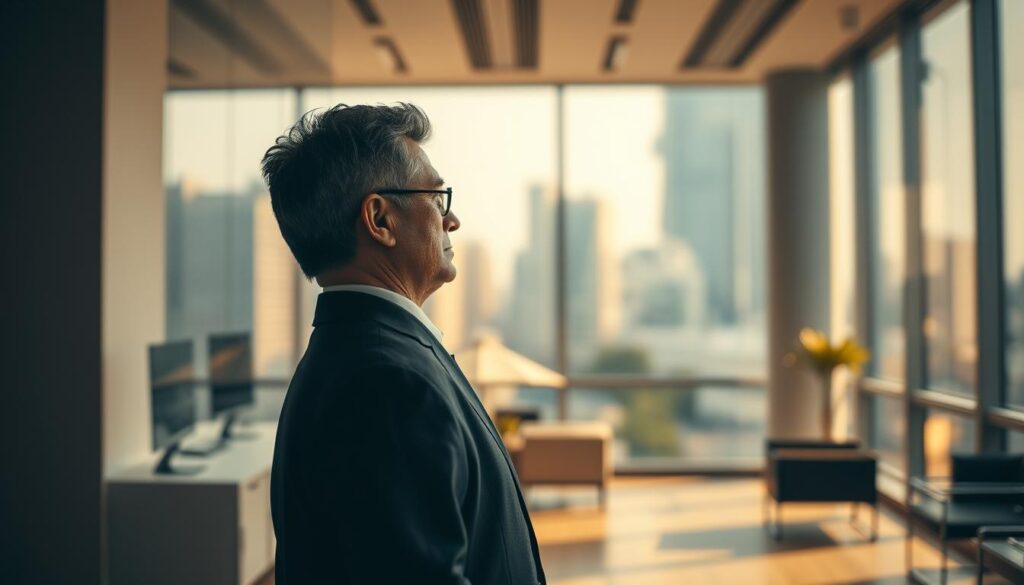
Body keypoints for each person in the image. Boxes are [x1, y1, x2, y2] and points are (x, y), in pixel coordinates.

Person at [261, 103, 546, 584]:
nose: (450, 219)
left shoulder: (362, 352)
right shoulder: (387, 383)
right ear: (380, 220)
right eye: (437, 198)